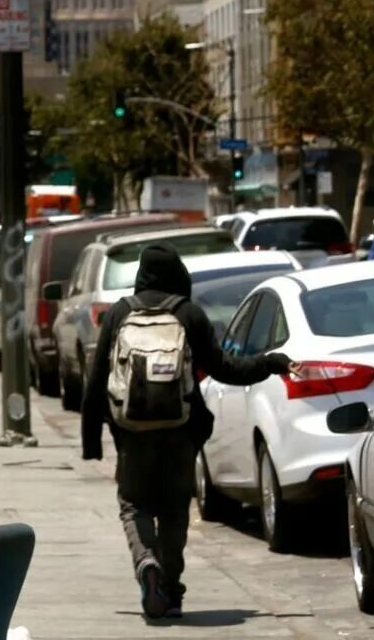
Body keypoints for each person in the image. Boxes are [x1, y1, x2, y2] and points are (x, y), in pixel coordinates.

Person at [81, 245, 295, 622]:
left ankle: (146, 562)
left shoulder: (119, 313)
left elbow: (97, 377)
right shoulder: (188, 313)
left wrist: (91, 440)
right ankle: (173, 592)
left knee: (134, 505)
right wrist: (270, 363)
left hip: (131, 433)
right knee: (174, 510)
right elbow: (226, 368)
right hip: (180, 432)